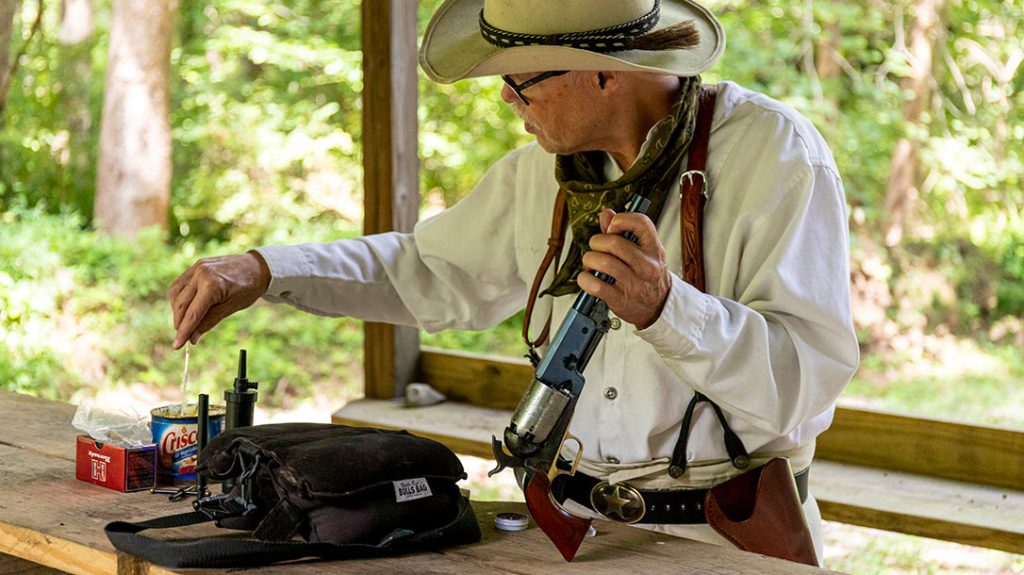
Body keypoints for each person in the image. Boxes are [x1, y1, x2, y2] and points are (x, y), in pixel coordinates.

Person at [168, 0, 859, 562]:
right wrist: (266, 270)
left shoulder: (776, 156)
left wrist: (668, 309)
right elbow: (427, 270)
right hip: (577, 536)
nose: (506, 96)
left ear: (604, 73)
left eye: (522, 80)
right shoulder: (542, 174)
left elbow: (804, 382)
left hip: (725, 543)